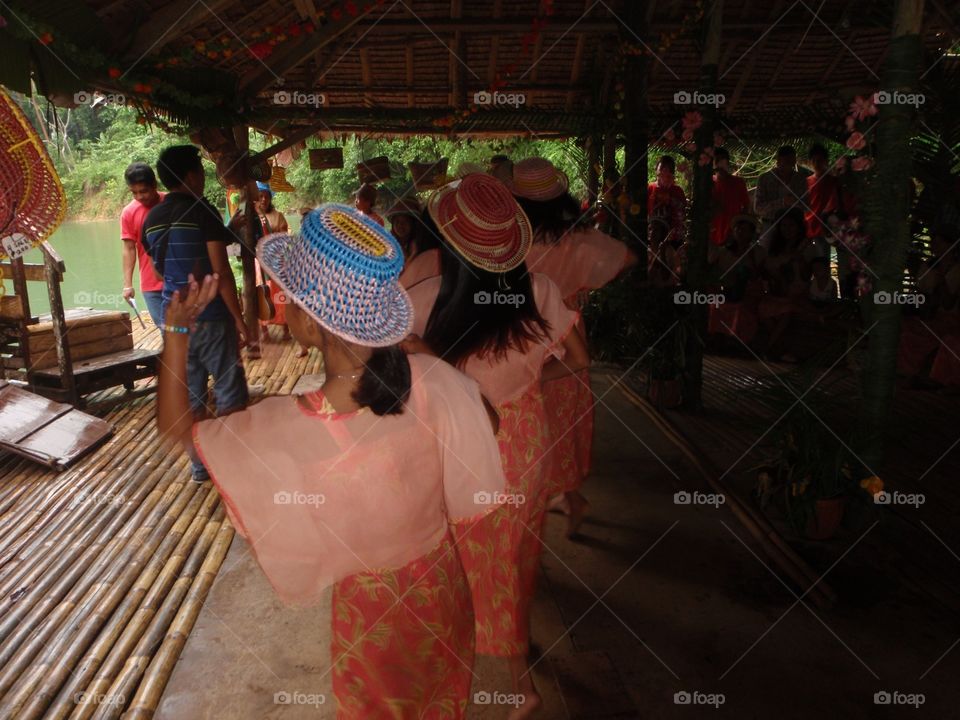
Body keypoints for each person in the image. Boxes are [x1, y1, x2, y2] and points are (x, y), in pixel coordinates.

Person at [156, 204, 507, 717]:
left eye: (289, 298)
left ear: (312, 324)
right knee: (440, 699)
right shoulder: (428, 378)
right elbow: (490, 421)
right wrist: (419, 352)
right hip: (440, 587)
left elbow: (176, 430)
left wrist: (176, 332)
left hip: (373, 614)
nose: (281, 302)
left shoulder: (292, 424)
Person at [405, 173, 589, 719]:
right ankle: (519, 680)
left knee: (456, 561)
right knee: (512, 559)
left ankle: (456, 670)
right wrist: (529, 383)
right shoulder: (541, 292)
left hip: (452, 445)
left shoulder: (420, 301)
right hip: (525, 443)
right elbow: (578, 362)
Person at [511, 157, 637, 537]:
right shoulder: (576, 237)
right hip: (567, 331)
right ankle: (568, 493)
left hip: (525, 330)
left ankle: (550, 495)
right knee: (564, 418)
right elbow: (627, 256)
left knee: (529, 413)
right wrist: (580, 283)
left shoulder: (514, 238)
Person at [142, 144, 249, 482]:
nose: (203, 177)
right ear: (190, 175)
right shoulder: (204, 211)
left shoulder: (152, 219)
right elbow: (220, 273)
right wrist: (239, 318)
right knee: (229, 386)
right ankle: (232, 463)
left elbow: (160, 275)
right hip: (212, 316)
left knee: (192, 393)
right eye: (200, 171)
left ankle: (201, 466)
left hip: (176, 319)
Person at [120, 162, 165, 328]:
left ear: (154, 185)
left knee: (186, 330)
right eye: (134, 192)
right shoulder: (129, 213)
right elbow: (129, 249)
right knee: (166, 331)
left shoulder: (170, 202)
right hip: (151, 286)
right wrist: (127, 285)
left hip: (179, 281)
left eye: (143, 191)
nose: (139, 197)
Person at [755, 146, 808, 240]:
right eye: (786, 161)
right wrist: (782, 202)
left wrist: (796, 203)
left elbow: (807, 206)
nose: (789, 165)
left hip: (794, 229)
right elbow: (758, 208)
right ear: (778, 160)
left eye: (791, 162)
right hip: (770, 226)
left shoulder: (800, 179)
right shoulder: (765, 179)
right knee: (768, 253)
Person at [710, 147, 750, 246]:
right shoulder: (708, 183)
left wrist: (740, 227)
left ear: (727, 162)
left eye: (722, 159)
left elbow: (746, 206)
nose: (720, 163)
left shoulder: (738, 182)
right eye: (717, 160)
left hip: (732, 231)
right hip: (714, 232)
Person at [648, 155, 687, 252]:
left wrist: (670, 198)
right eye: (662, 169)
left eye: (668, 169)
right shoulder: (650, 188)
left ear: (672, 173)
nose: (664, 172)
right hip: (653, 236)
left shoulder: (677, 191)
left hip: (673, 237)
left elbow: (682, 213)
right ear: (656, 170)